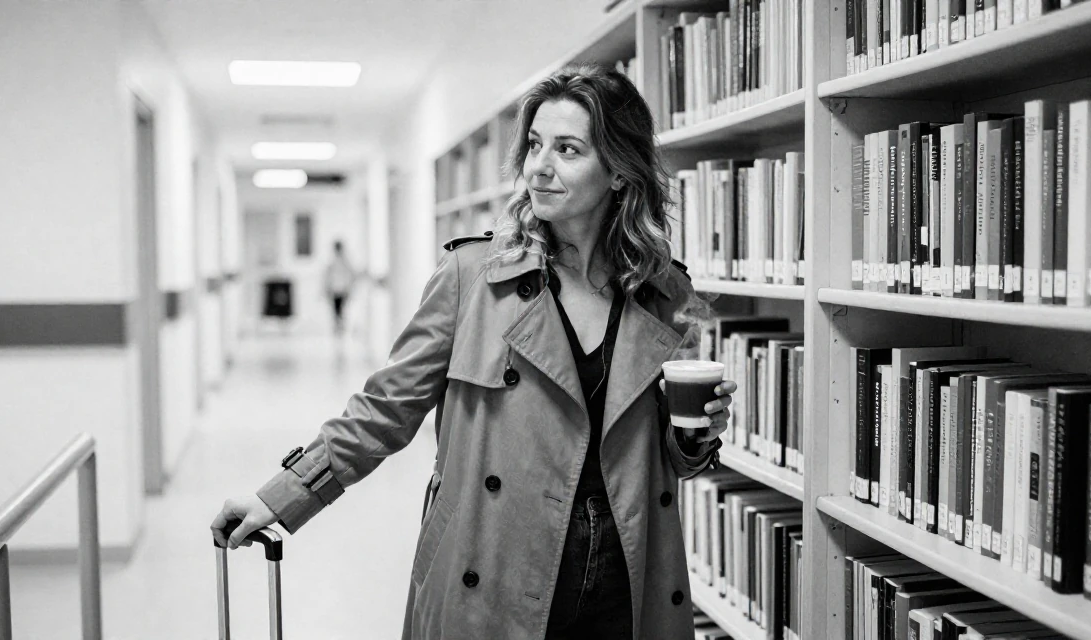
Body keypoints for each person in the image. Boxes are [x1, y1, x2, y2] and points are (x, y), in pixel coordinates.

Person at [212, 63, 736, 640]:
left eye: (567, 149)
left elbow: (670, 457)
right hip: (495, 562)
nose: (539, 166)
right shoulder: (473, 278)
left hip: (626, 568)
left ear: (617, 171)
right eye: (535, 144)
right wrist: (283, 496)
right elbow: (386, 407)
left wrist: (695, 437)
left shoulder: (662, 294)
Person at [323, 240, 356, 335]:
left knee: (341, 309)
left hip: (343, 290)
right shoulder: (332, 262)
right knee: (337, 310)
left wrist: (350, 288)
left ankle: (340, 326)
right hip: (335, 290)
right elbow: (328, 277)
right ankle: (338, 326)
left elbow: (351, 276)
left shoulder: (345, 262)